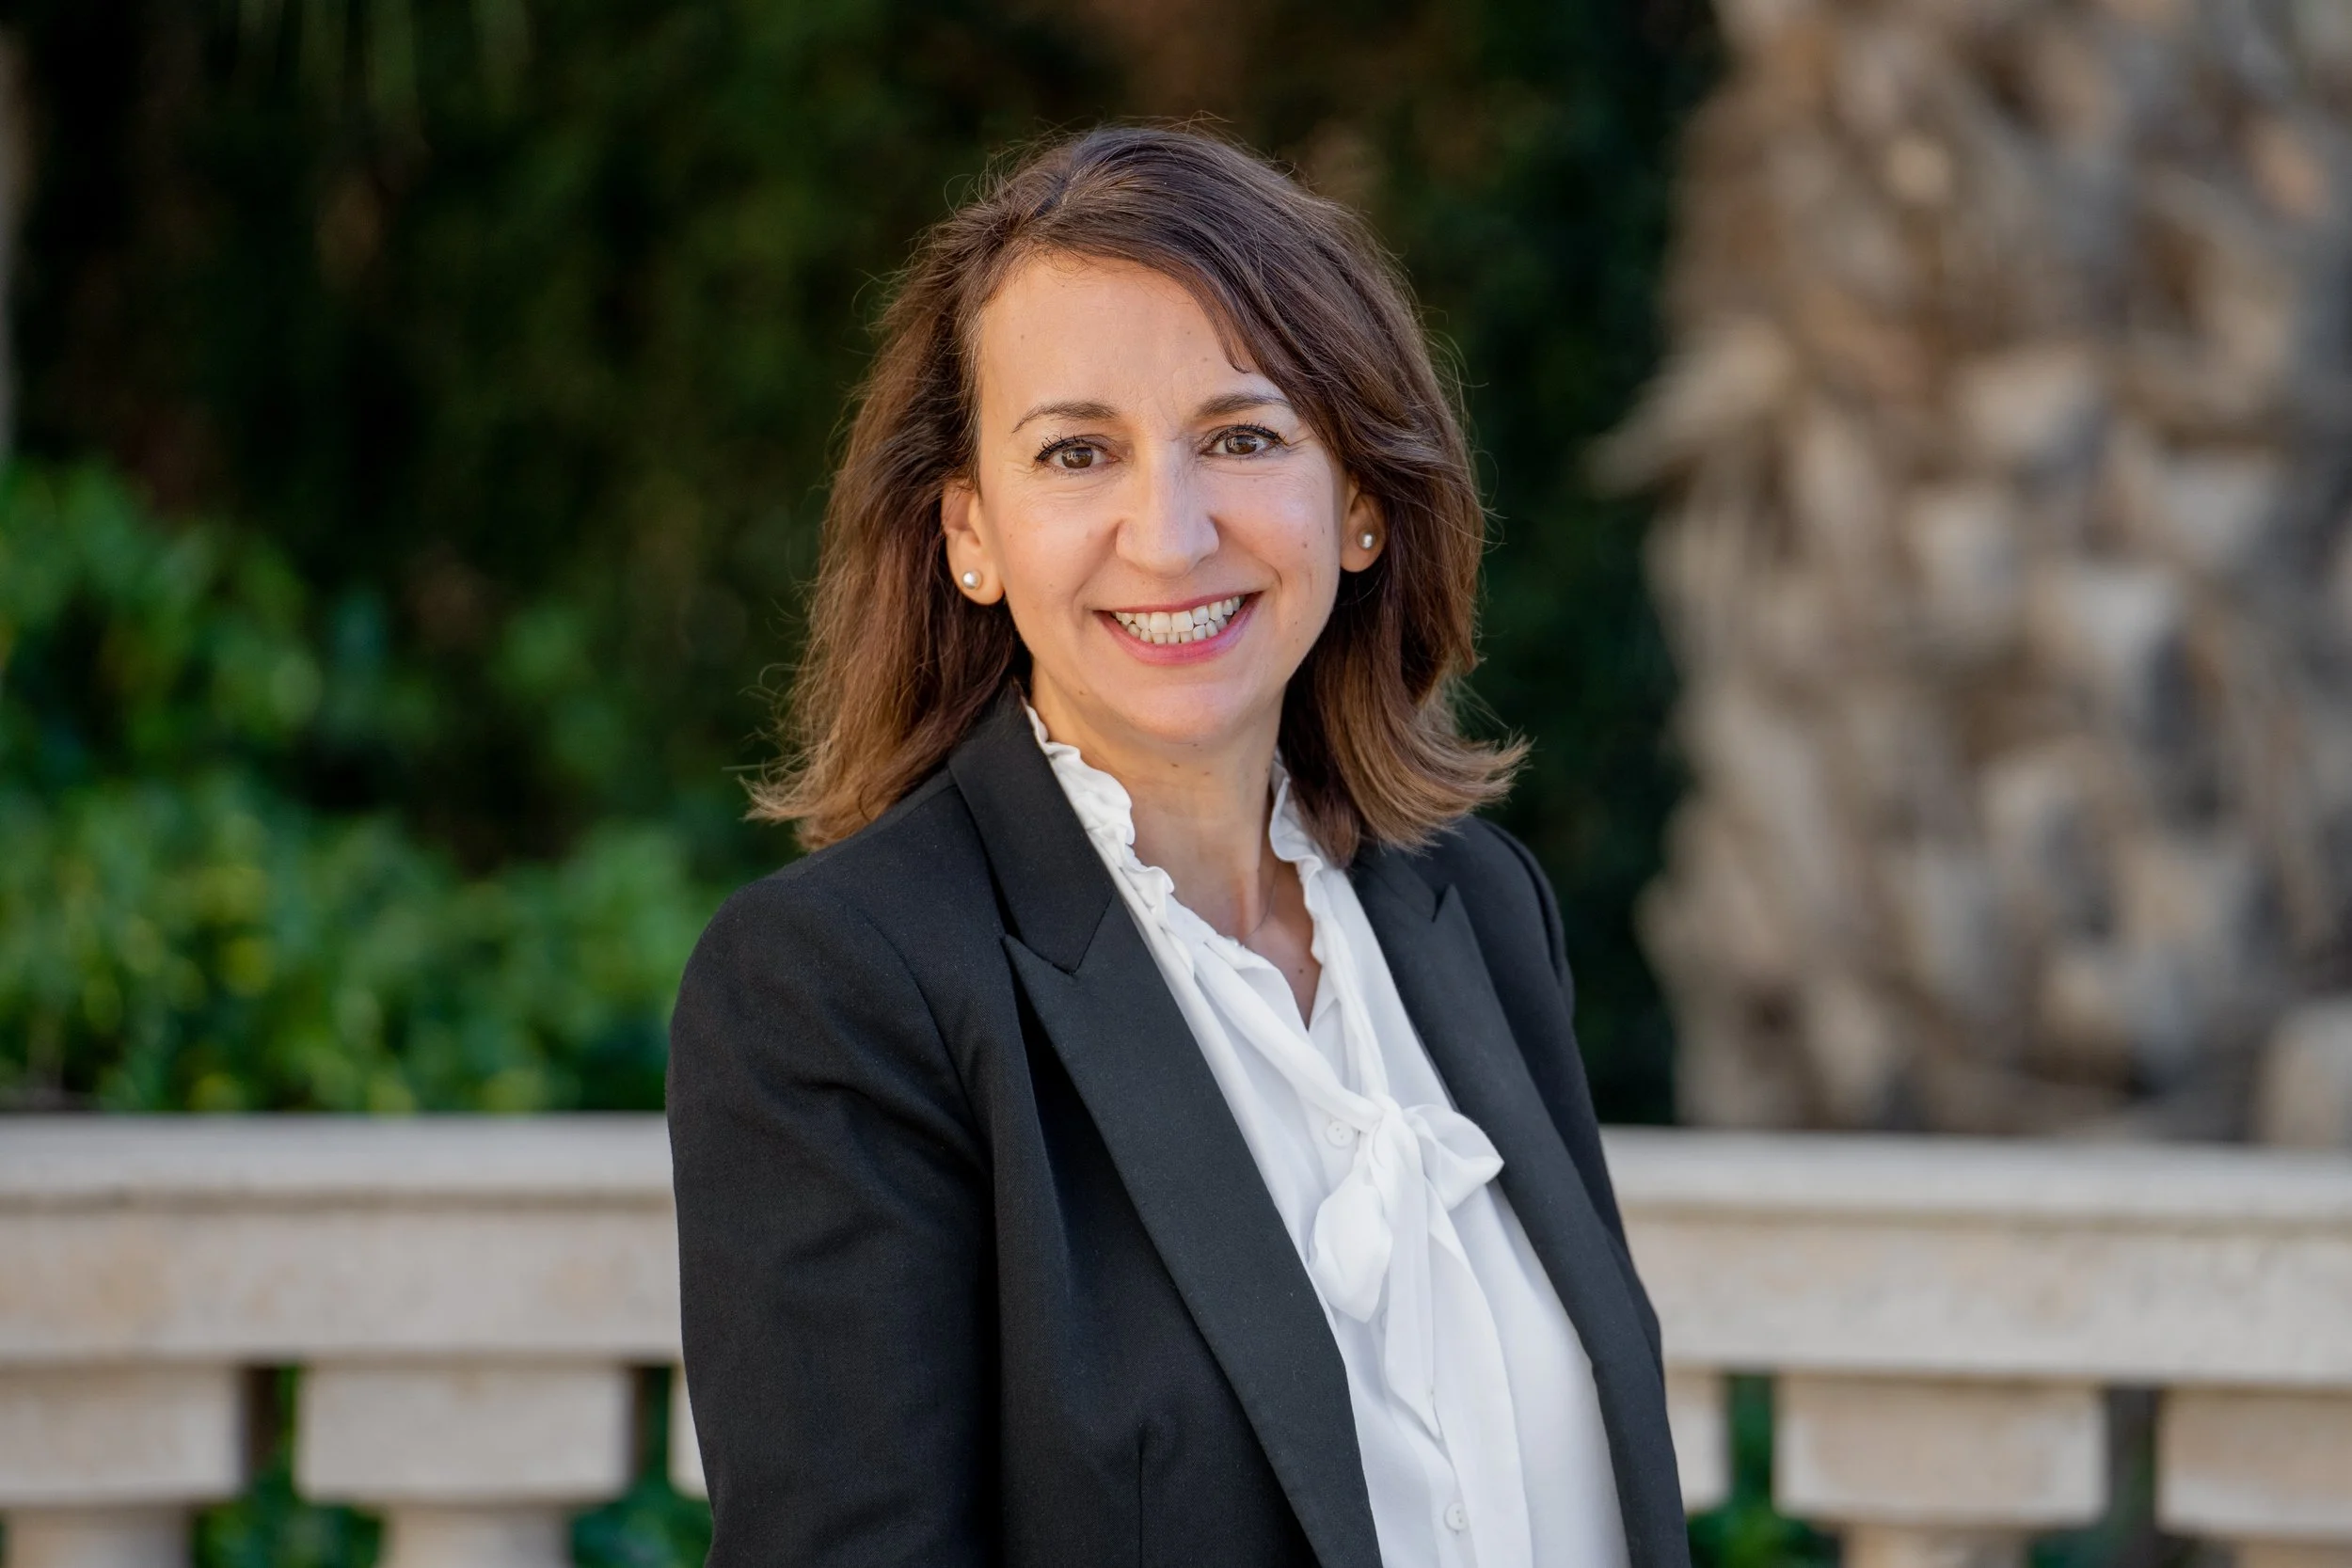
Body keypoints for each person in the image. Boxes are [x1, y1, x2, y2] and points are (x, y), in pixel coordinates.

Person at [667, 124, 1687, 1568]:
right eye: (1077, 452)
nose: (1169, 531)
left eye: (1242, 438)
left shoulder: (1478, 907)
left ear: (1360, 503)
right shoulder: (837, 989)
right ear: (972, 532)